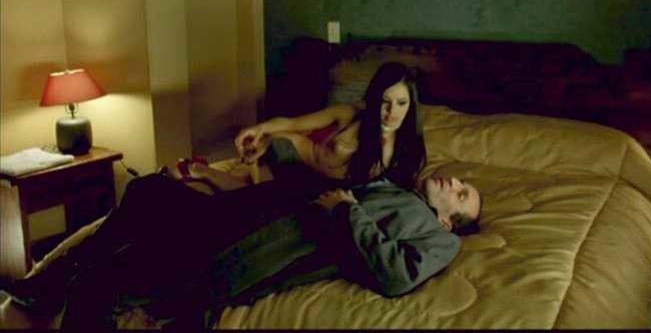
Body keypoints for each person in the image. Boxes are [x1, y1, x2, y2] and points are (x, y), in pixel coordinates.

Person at [1, 169, 481, 329]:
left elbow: (397, 275)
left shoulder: (439, 238)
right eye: (461, 181)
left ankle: (57, 285)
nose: (454, 182)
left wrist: (348, 211)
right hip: (251, 210)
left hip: (256, 242)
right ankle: (51, 283)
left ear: (448, 222)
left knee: (100, 285)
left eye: (462, 194)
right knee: (148, 190)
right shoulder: (394, 186)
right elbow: (304, 182)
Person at [173, 62, 426, 192]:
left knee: (254, 198)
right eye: (385, 102)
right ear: (374, 99)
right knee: (252, 196)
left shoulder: (407, 148)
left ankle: (198, 169)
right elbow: (293, 123)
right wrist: (259, 129)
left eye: (401, 103)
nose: (392, 113)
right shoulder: (350, 114)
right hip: (293, 153)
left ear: (411, 104)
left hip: (315, 183)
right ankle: (200, 170)